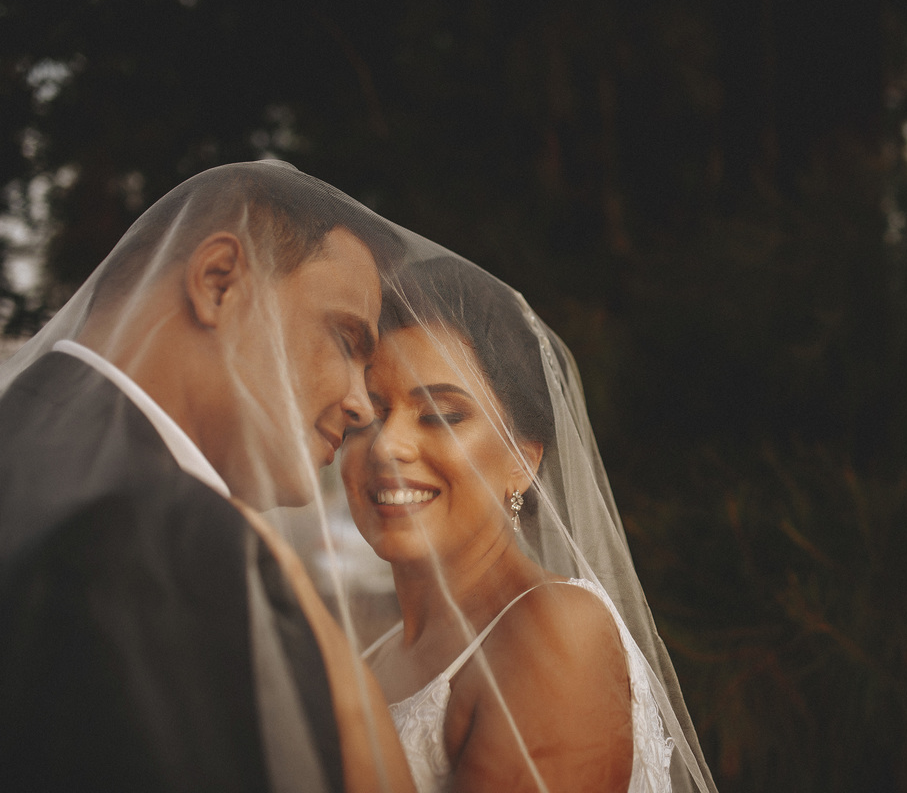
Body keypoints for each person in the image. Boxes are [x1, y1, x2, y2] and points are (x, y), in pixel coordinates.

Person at [0, 161, 416, 793]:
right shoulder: (159, 535)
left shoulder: (26, 444)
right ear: (219, 283)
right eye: (345, 338)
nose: (362, 405)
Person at [340, 256, 718, 792]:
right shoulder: (371, 657)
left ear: (523, 459)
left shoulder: (557, 631)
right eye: (367, 414)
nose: (385, 445)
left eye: (442, 415)